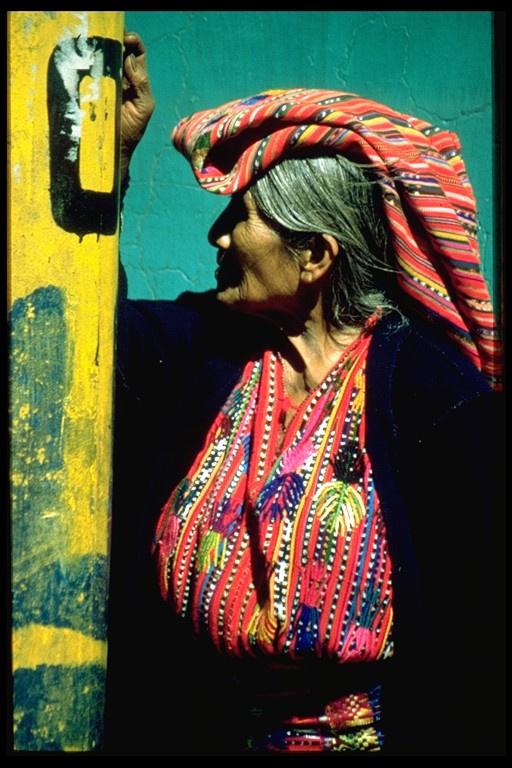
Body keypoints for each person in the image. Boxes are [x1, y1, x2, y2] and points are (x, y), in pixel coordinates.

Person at [104, 32, 505, 756]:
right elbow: (93, 342)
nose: (218, 237)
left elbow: (482, 645)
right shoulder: (212, 352)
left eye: (242, 217)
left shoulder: (427, 394)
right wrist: (114, 160)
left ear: (316, 255)